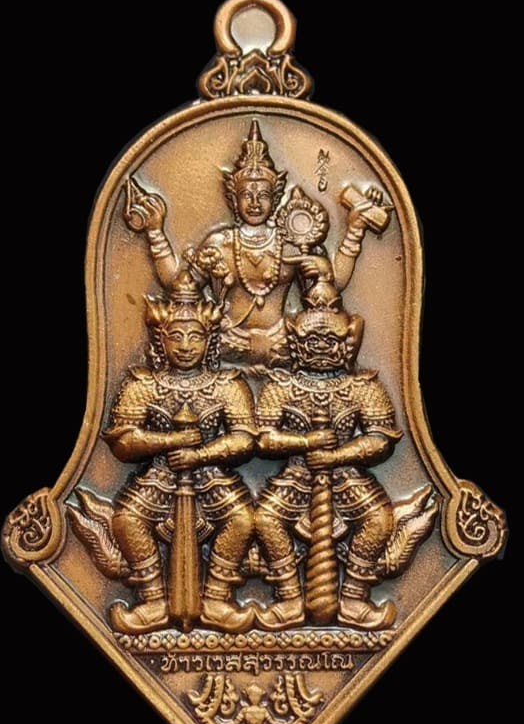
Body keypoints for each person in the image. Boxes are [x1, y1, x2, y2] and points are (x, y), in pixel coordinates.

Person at [254, 289, 437, 631]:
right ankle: (288, 596)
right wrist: (305, 442)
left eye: (331, 341)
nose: (321, 348)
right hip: (296, 475)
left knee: (379, 519)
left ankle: (354, 596)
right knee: (265, 520)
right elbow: (263, 438)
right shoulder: (281, 386)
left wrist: (337, 455)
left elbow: (380, 439)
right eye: (312, 341)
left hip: (347, 474)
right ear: (296, 344)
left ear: (347, 344)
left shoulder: (362, 387)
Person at [128, 120, 383, 365]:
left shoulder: (290, 243)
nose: (254, 203)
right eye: (246, 195)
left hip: (284, 342)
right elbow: (178, 286)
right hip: (228, 341)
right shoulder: (220, 243)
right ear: (233, 198)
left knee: (327, 342)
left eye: (263, 195)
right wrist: (155, 232)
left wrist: (354, 230)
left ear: (275, 198)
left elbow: (333, 287)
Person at [102, 271, 257, 634]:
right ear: (161, 339)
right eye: (176, 336)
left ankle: (216, 598)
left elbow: (245, 439)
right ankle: (153, 599)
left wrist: (201, 455)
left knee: (243, 520)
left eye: (195, 336)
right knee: (127, 519)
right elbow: (123, 441)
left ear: (210, 340)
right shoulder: (143, 384)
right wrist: (171, 442)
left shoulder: (227, 385)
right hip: (160, 473)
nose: (185, 345)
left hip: (211, 473)